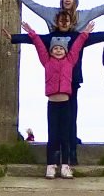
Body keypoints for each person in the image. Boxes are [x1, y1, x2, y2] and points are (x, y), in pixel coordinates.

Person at [5, 13, 104, 161]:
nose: (64, 23)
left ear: (71, 22)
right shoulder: (51, 38)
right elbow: (35, 41)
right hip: (55, 90)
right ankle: (54, 161)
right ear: (56, 22)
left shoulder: (76, 37)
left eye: (66, 20)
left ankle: (71, 157)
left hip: (72, 84)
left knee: (71, 119)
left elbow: (93, 38)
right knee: (55, 126)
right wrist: (14, 37)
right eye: (61, 21)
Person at [23, 18, 94, 179]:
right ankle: (50, 166)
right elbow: (40, 47)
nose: (58, 50)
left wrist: (85, 33)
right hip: (52, 105)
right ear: (51, 51)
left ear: (65, 50)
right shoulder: (47, 62)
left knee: (65, 137)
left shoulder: (70, 61)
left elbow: (76, 48)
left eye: (61, 48)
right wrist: (32, 33)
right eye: (55, 48)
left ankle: (65, 166)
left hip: (66, 104)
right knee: (53, 136)